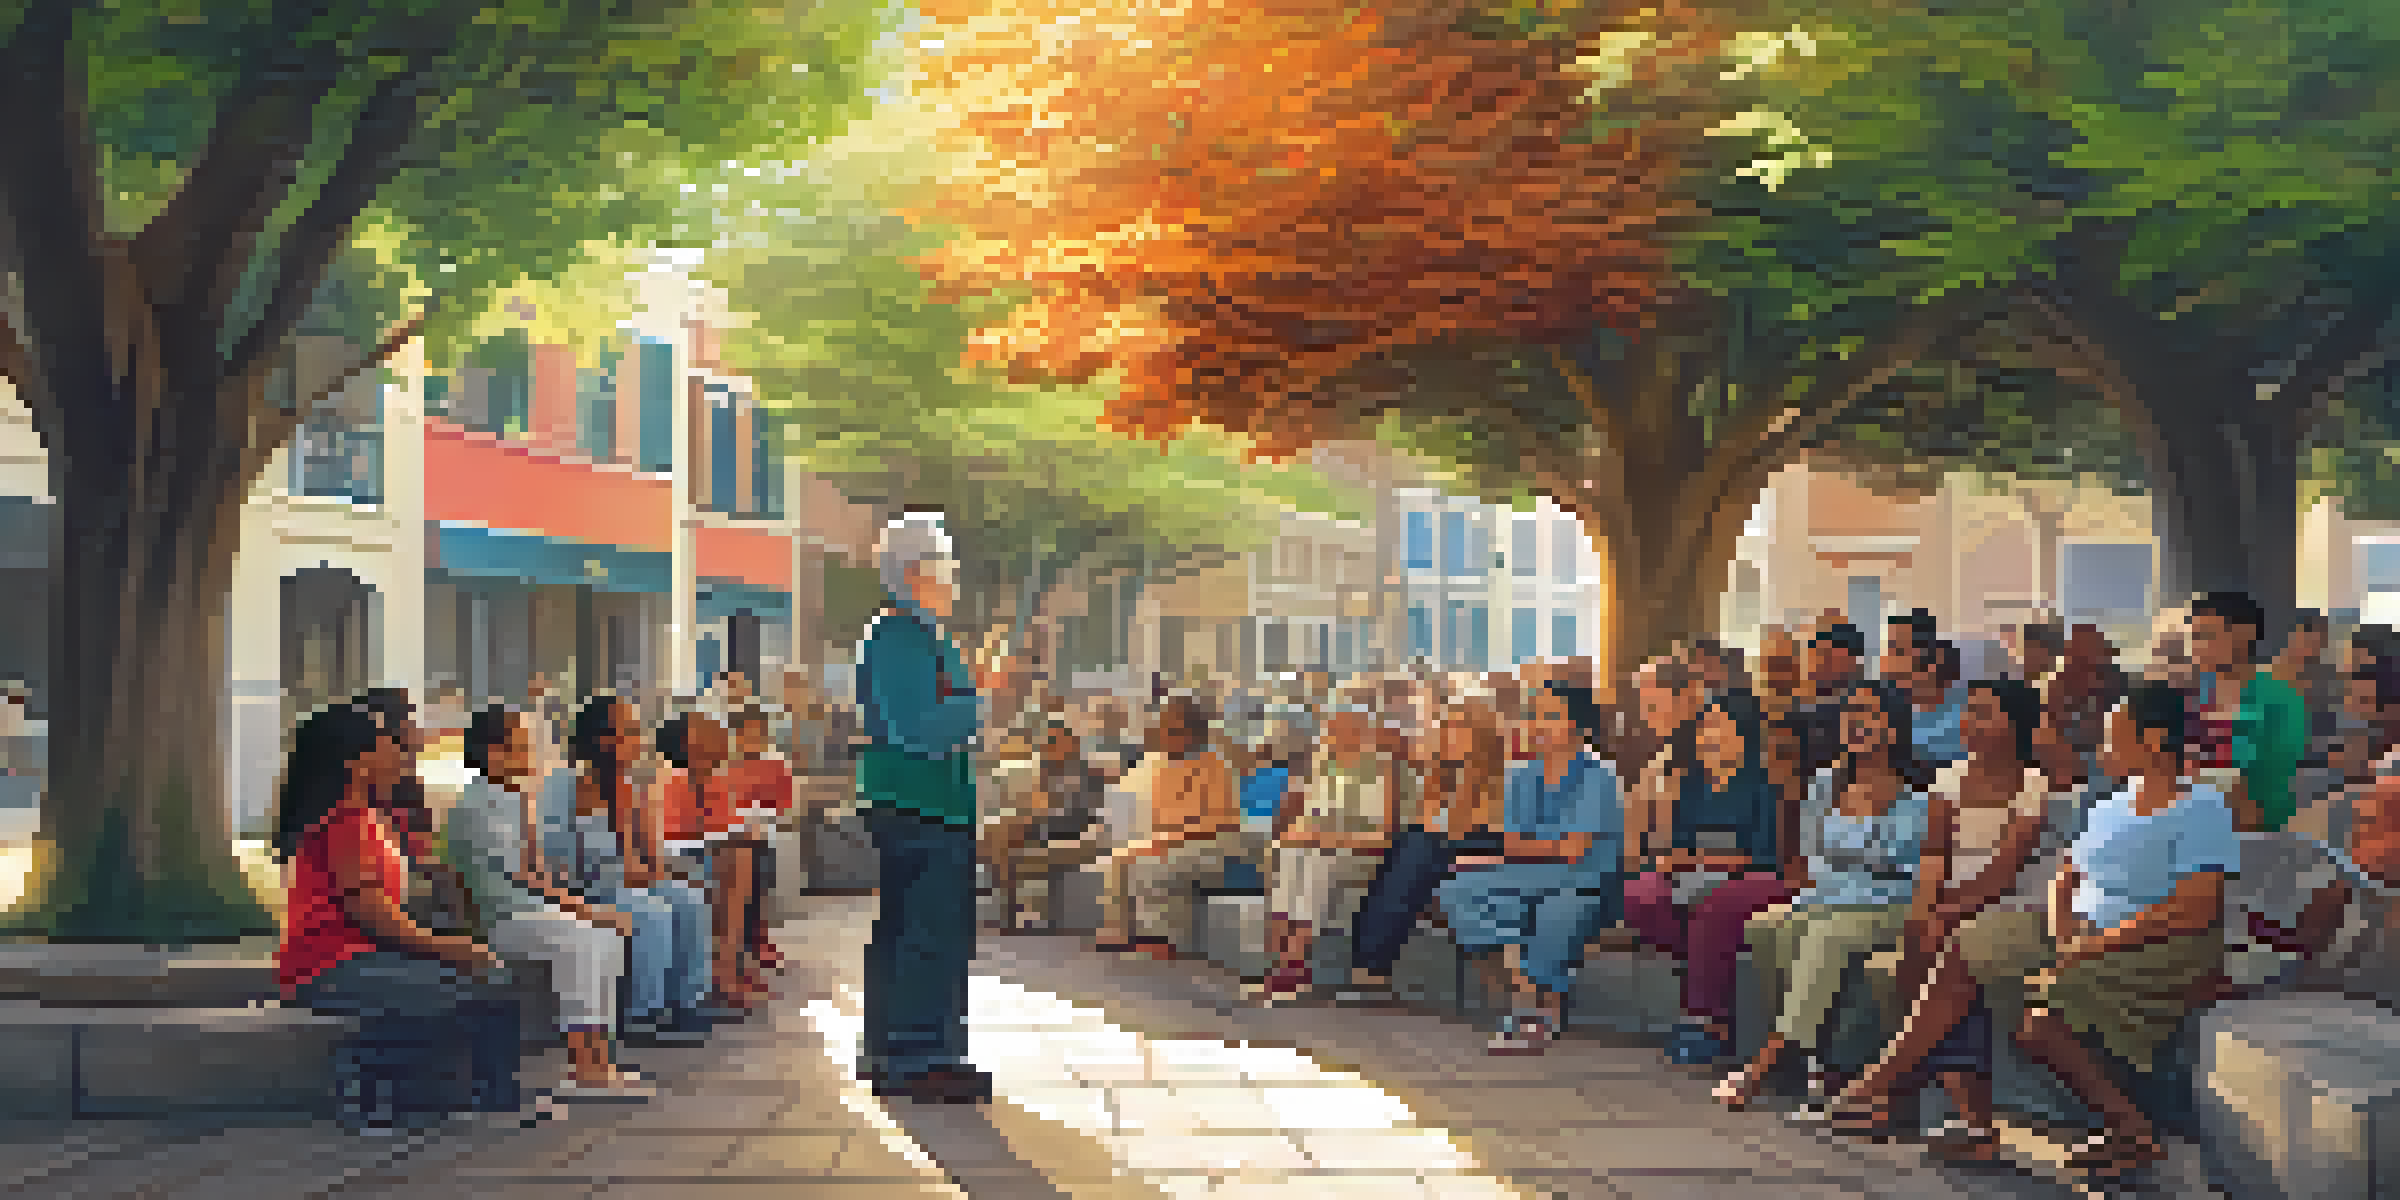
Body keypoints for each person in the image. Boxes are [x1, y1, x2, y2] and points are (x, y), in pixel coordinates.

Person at [1820, 679, 2069, 1157]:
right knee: (1917, 960)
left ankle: (1883, 1088)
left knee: (1952, 960)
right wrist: (1926, 913)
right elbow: (1935, 857)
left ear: (2012, 724)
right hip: (1956, 909)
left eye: (1983, 713)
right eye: (1968, 712)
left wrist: (1945, 915)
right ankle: (1927, 1111)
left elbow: (2004, 872)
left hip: (2019, 910)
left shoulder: (2035, 786)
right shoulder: (1947, 780)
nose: (1969, 723)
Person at [2002, 682, 2238, 1180]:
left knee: (2040, 1018)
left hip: (2168, 945)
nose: (2101, 748)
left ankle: (2130, 1129)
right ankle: (1974, 1122)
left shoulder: (2202, 807)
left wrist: (2092, 945)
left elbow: (2195, 910)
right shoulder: (2109, 803)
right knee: (1970, 946)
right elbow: (2065, 876)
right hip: (2088, 931)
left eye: (2113, 737)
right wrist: (2065, 931)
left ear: (2152, 740)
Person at [274, 702, 525, 1134]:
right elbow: (371, 912)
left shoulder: (362, 818)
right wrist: (447, 948)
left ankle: (482, 1102)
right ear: (359, 760)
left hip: (357, 960)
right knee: (486, 982)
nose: (402, 757)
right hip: (330, 968)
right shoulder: (346, 821)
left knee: (486, 977)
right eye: (390, 746)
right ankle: (373, 1081)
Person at [1721, 679, 1930, 1113]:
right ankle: (1811, 1055)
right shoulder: (1824, 783)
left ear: (1892, 728)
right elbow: (1812, 854)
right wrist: (1850, 859)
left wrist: (1858, 838)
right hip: (1826, 897)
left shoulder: (1917, 792)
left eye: (1869, 714)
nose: (1856, 722)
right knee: (1767, 930)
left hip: (1888, 903)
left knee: (1827, 937)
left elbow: (1895, 861)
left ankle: (1766, 1062)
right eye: (1851, 713)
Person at [449, 704, 654, 1101]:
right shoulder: (476, 804)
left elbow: (536, 871)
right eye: (521, 748)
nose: (531, 758)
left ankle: (600, 1061)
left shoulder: (517, 799)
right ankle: (582, 1067)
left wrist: (577, 903)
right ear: (494, 753)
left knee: (606, 938)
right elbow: (517, 879)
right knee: (582, 940)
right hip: (501, 919)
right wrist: (584, 909)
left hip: (532, 912)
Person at [855, 512, 993, 1103]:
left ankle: (895, 1049)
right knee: (929, 931)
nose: (953, 577)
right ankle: (921, 1054)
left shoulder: (918, 635)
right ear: (915, 572)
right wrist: (980, 696)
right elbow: (918, 730)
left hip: (924, 799)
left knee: (910, 927)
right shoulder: (901, 638)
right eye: (944, 565)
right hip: (919, 800)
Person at [1440, 685, 1625, 1053]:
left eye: (1550, 716)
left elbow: (1575, 854)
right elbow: (1514, 844)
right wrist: (1535, 849)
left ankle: (1537, 1009)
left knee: (1557, 910)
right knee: (1455, 888)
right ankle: (1527, 992)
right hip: (1531, 876)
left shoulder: (1598, 776)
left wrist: (1525, 851)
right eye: (1535, 715)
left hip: (1585, 881)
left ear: (1577, 726)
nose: (1538, 725)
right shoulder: (1521, 776)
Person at [1622, 688, 1790, 1069]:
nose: (1706, 736)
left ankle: (1705, 1019)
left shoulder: (1763, 784)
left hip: (1750, 878)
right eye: (1703, 727)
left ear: (1742, 733)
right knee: (1639, 895)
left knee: (1713, 906)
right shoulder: (1692, 784)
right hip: (1696, 874)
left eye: (1717, 725)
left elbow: (1762, 856)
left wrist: (1705, 860)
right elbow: (1680, 843)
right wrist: (1673, 860)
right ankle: (1703, 967)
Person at [543, 696, 717, 1045]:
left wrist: (643, 803)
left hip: (622, 882)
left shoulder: (626, 786)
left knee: (688, 899)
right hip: (583, 888)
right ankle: (642, 1014)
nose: (640, 742)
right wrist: (627, 876)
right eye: (631, 733)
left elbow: (646, 857)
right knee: (652, 913)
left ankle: (687, 1003)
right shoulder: (563, 786)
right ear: (603, 740)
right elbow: (557, 860)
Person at [1338, 696, 1504, 1005]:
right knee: (1405, 848)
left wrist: (1464, 780)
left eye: (1459, 726)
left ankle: (1371, 970)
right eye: (1447, 726)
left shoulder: (1501, 776)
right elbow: (1428, 821)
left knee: (1415, 846)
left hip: (1486, 846)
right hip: (1441, 845)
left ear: (1480, 733)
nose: (1448, 734)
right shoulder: (1439, 776)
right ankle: (1368, 970)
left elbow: (1476, 824)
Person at [1261, 706, 1398, 1004]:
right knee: (1288, 853)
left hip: (1357, 850)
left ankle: (1293, 963)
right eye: (1330, 728)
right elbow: (1304, 820)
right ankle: (1284, 960)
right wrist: (1294, 835)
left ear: (1362, 731)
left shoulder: (1379, 768)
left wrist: (1331, 838)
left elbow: (1383, 835)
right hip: (1315, 846)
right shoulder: (1321, 767)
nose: (1332, 735)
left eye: (1342, 728)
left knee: (1314, 860)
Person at [1094, 692, 1242, 960]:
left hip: (1212, 845)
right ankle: (1119, 933)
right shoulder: (1159, 765)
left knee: (1155, 865)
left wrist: (1169, 838)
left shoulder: (1216, 765)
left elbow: (1220, 821)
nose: (1161, 731)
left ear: (1190, 730)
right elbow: (1158, 817)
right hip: (1171, 840)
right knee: (1120, 858)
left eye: (1168, 725)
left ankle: (1163, 940)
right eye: (1161, 724)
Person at [2188, 590, 2308, 832]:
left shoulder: (2279, 700)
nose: (2198, 647)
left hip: (2260, 831)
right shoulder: (2190, 696)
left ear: (2245, 634)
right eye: (2195, 637)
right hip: (2195, 827)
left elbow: (2271, 779)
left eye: (2208, 636)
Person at [981, 721, 1110, 934]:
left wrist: (1037, 813)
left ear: (1073, 743)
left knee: (1005, 831)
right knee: (996, 833)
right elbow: (1034, 804)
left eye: (1055, 740)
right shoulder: (1044, 771)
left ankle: (1009, 909)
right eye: (1048, 741)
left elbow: (1085, 811)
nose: (1050, 746)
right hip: (1044, 826)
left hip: (1075, 827)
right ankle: (1008, 906)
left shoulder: (1087, 774)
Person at [724, 703, 794, 971]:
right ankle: (739, 939)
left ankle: (757, 936)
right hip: (730, 835)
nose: (751, 739)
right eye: (745, 733)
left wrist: (757, 816)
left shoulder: (776, 765)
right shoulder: (726, 766)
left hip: (765, 833)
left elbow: (783, 807)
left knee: (759, 859)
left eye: (757, 733)